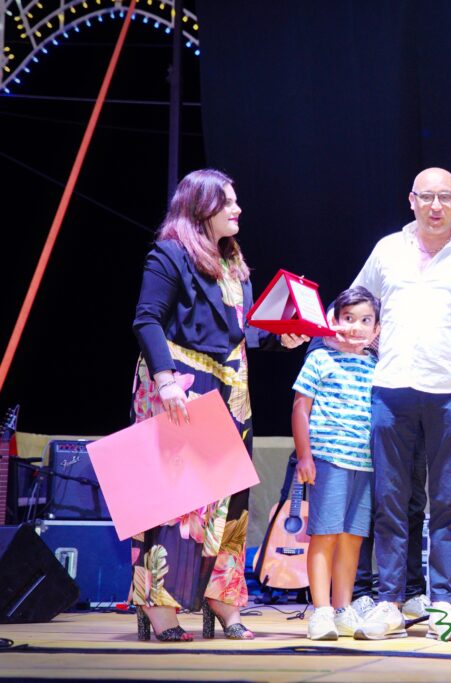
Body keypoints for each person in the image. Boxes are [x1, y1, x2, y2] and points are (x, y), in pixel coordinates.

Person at [131, 169, 307, 641]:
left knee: (231, 500)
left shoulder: (233, 261)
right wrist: (165, 379)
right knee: (176, 500)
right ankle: (158, 606)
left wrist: (279, 338)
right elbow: (147, 320)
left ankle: (223, 598)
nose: (237, 209)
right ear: (200, 207)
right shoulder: (170, 253)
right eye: (227, 202)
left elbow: (237, 330)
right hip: (182, 384)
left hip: (231, 389)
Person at [351, 168, 451, 641]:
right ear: (412, 200)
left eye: (445, 197)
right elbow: (357, 303)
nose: (436, 206)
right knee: (389, 501)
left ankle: (443, 603)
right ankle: (389, 601)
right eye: (427, 197)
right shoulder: (388, 250)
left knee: (448, 503)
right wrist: (327, 330)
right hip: (391, 390)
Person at [292, 286, 380, 640]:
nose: (356, 327)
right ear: (334, 321)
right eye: (348, 318)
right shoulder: (320, 359)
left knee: (352, 538)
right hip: (329, 460)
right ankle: (321, 611)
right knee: (325, 534)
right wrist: (305, 456)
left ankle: (343, 609)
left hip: (365, 464)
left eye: (365, 320)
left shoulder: (375, 365)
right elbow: (301, 408)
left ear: (376, 329)